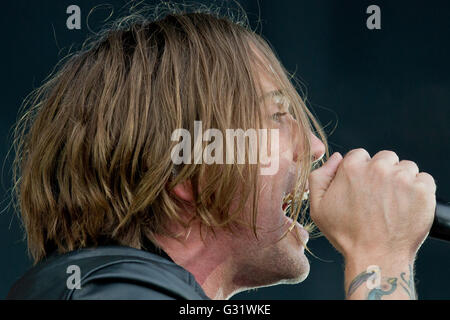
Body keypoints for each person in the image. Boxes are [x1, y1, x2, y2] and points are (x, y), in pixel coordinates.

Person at [7, 7, 436, 300]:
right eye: (277, 115)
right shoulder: (121, 292)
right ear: (184, 169)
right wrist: (381, 256)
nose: (316, 147)